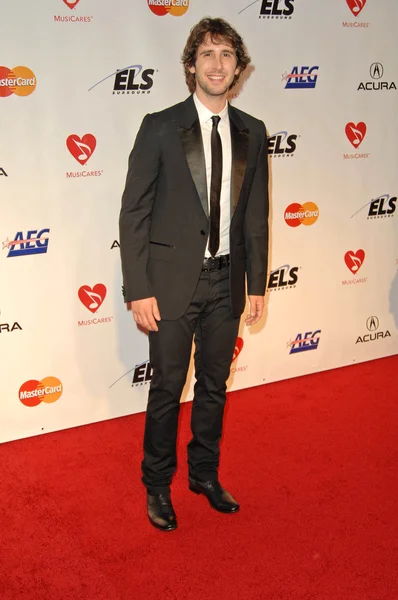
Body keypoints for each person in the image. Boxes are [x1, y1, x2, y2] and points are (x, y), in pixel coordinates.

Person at [119, 17, 269, 531]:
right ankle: (157, 484)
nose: (217, 64)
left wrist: (256, 284)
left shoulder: (254, 131)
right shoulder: (160, 126)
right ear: (190, 65)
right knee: (166, 388)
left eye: (227, 54)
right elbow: (133, 212)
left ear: (239, 68)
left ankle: (204, 473)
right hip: (170, 285)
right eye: (207, 53)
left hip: (228, 281)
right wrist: (138, 288)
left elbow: (256, 215)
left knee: (213, 385)